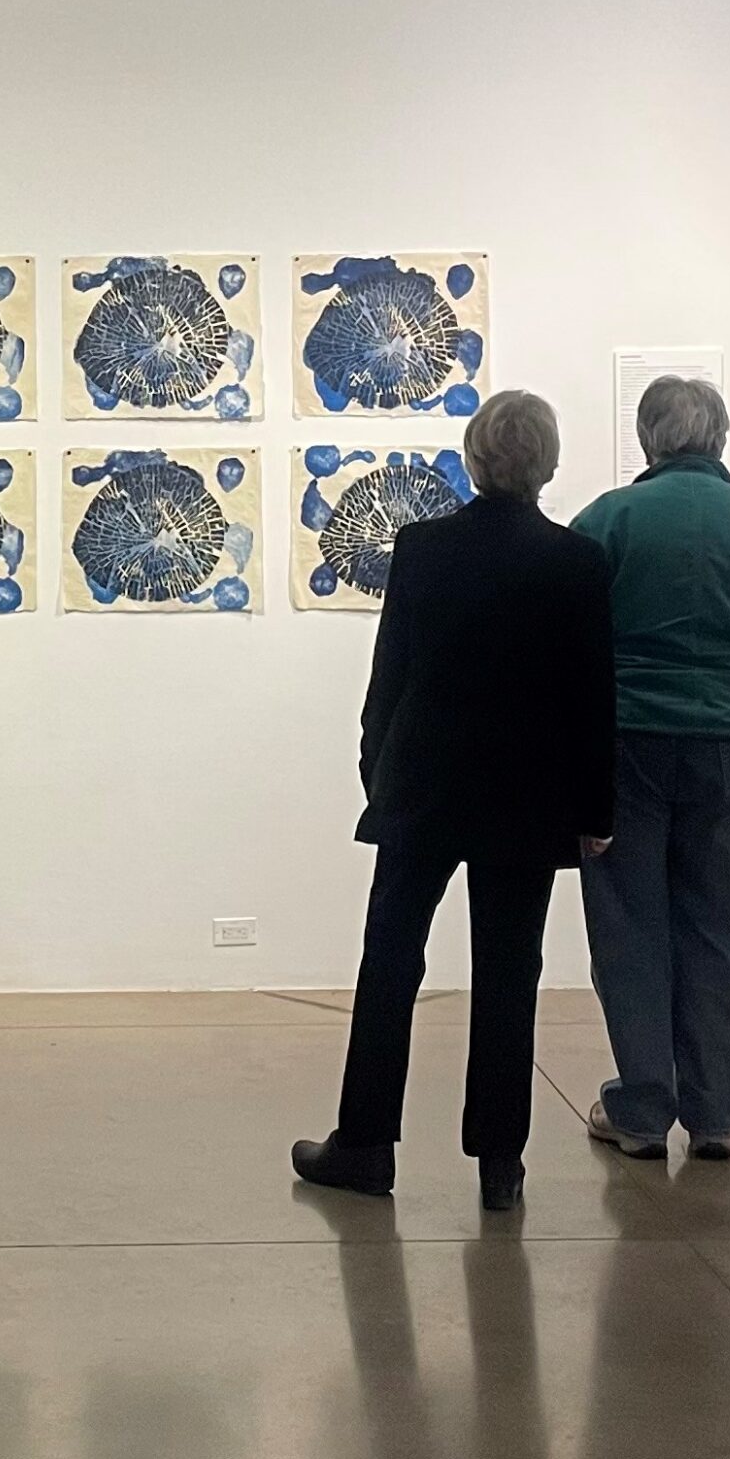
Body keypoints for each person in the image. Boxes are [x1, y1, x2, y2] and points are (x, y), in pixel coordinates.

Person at [292, 389, 617, 1211]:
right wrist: (596, 811)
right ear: (547, 465)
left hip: (424, 785)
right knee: (510, 973)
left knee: (392, 960)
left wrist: (377, 768)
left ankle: (366, 1142)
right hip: (528, 797)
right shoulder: (575, 562)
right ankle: (500, 1163)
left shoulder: (423, 548)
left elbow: (390, 674)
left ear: (474, 458)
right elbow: (591, 701)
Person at [570, 376, 730, 1161]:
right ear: (720, 436)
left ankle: (643, 1109)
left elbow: (568, 650)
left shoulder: (605, 521)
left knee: (629, 926)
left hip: (625, 747)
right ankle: (716, 1113)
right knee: (718, 928)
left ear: (649, 438)